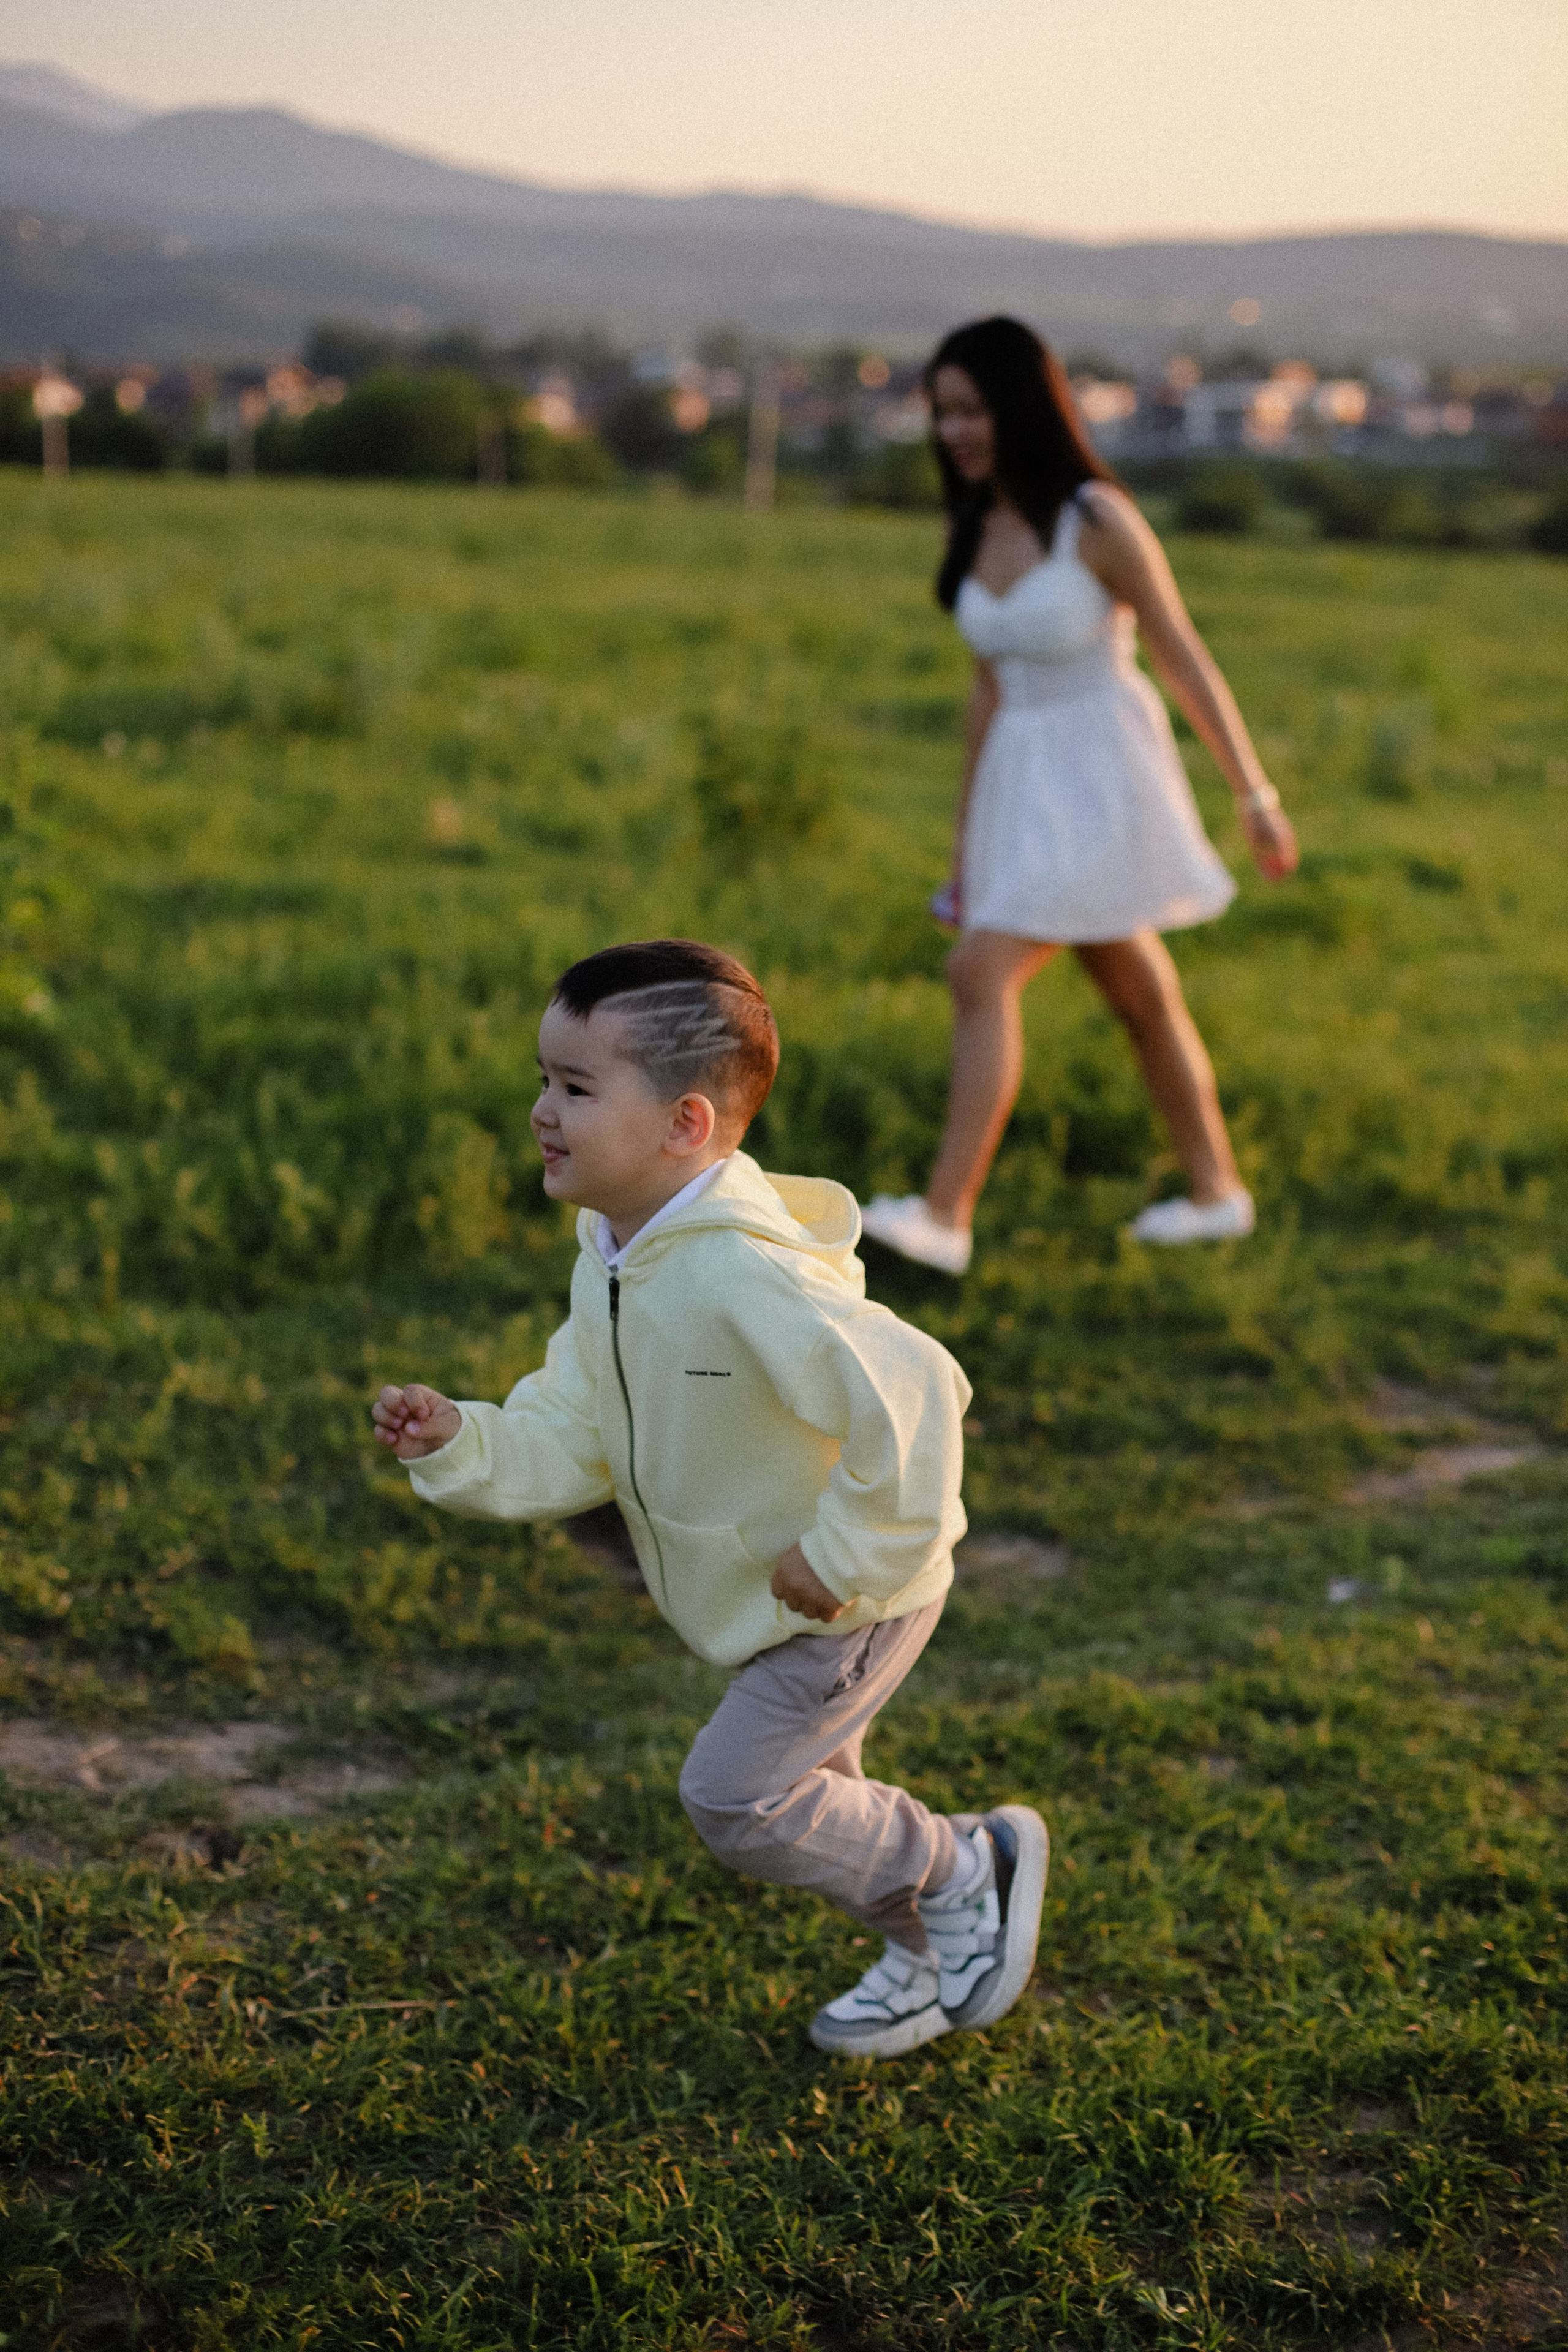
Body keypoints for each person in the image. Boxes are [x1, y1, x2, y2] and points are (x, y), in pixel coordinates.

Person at [372, 938, 1049, 2059]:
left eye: (577, 1089)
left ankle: (967, 1866)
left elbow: (918, 1388)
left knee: (738, 1799)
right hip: (770, 1601)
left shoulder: (745, 1273)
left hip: (847, 1601)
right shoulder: (621, 1253)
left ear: (686, 1123)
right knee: (820, 1805)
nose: (544, 1111)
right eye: (543, 1080)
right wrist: (467, 1438)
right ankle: (936, 1948)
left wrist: (841, 1558)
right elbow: (580, 1421)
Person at [860, 317, 1299, 1276]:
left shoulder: (1094, 520)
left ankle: (944, 1216)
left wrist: (1253, 792)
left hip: (1107, 779)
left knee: (980, 974)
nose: (956, 432)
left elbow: (1182, 653)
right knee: (1139, 991)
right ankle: (1218, 1192)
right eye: (942, 414)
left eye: (972, 409)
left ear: (1022, 403)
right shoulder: (973, 524)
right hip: (1026, 783)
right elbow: (988, 690)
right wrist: (966, 850)